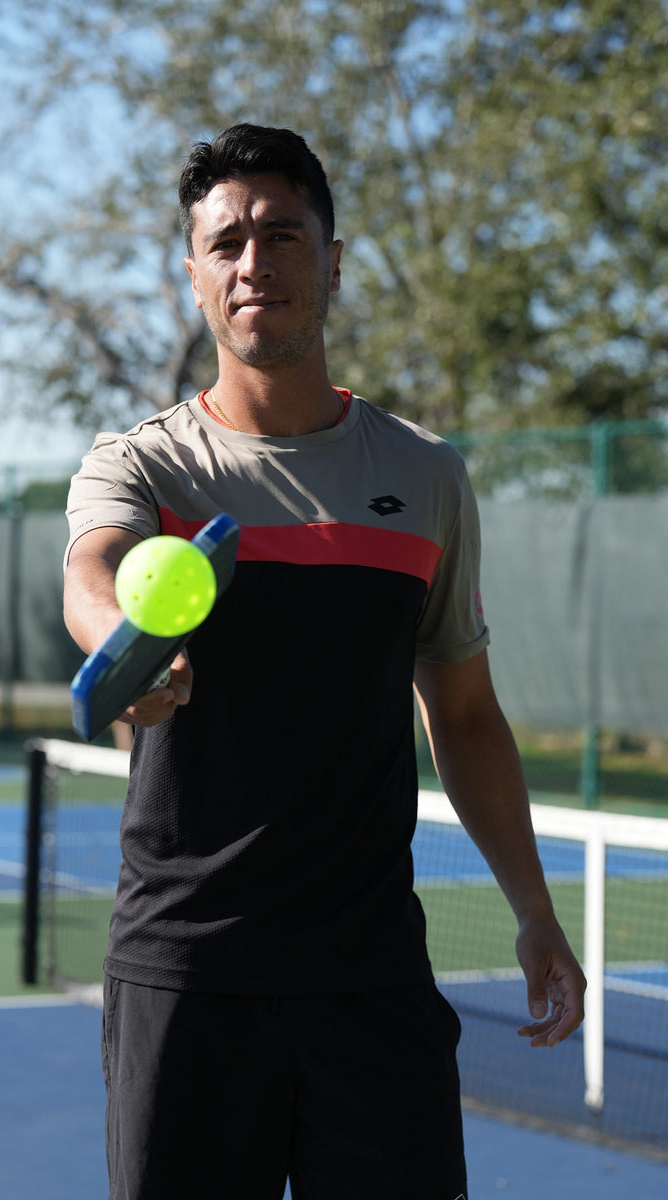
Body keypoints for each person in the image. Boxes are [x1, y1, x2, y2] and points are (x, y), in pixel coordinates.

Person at [63, 123, 586, 1200]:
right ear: (195, 274)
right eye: (226, 242)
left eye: (282, 234)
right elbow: (94, 572)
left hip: (370, 984)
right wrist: (128, 647)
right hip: (187, 973)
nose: (255, 263)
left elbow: (467, 713)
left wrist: (533, 909)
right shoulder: (141, 462)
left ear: (332, 260)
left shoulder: (424, 475)